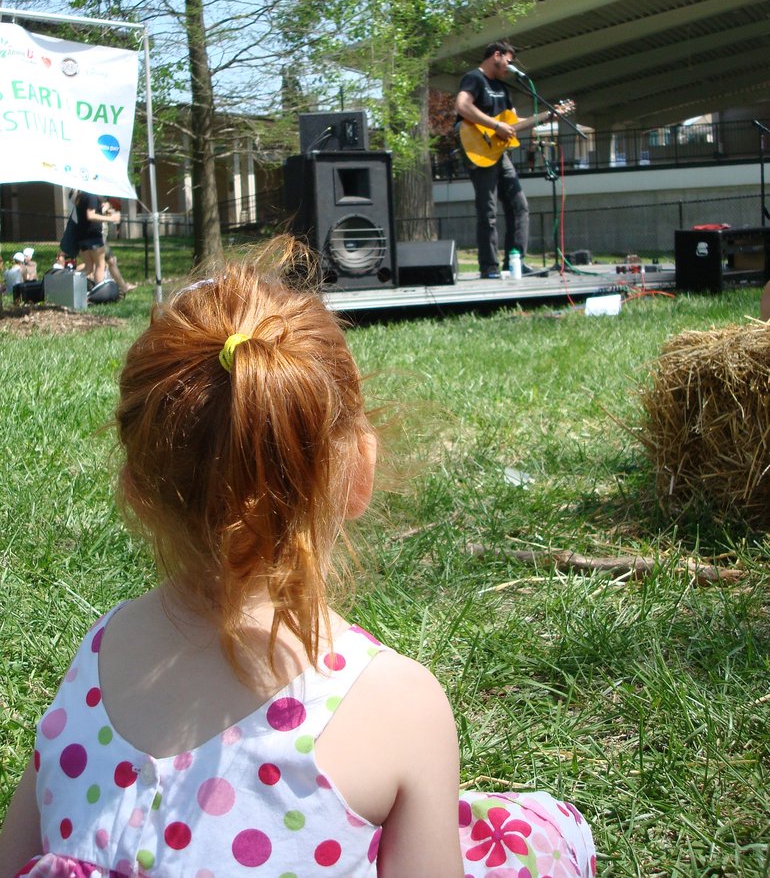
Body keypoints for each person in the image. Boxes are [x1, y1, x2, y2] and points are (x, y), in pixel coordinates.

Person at [0, 238, 595, 878]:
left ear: (139, 491)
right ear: (360, 471)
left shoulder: (100, 652)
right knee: (536, 838)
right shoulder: (399, 707)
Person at [456, 41, 537, 279]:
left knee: (519, 205)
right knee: (487, 211)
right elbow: (462, 106)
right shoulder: (474, 78)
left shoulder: (503, 89)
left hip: (500, 154)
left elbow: (511, 123)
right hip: (479, 151)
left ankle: (515, 261)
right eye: (508, 63)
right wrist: (495, 125)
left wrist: (544, 117)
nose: (509, 68)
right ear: (496, 55)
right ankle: (488, 266)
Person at [73, 191, 107, 285]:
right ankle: (100, 293)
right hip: (93, 235)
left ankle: (68, 283)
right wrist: (111, 218)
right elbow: (90, 215)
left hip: (82, 236)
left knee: (88, 267)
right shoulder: (91, 195)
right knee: (100, 265)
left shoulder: (81, 196)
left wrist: (102, 207)